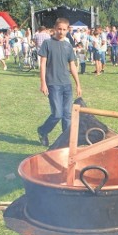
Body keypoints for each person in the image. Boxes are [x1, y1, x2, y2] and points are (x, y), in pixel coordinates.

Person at [36, 18, 83, 147]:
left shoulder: (68, 45)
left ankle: (66, 141)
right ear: (54, 29)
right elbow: (43, 64)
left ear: (67, 30)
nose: (61, 32)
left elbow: (72, 65)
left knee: (67, 115)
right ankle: (43, 130)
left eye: (64, 29)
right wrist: (43, 83)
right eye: (59, 29)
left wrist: (78, 84)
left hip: (66, 84)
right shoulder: (47, 43)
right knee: (57, 114)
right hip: (53, 84)